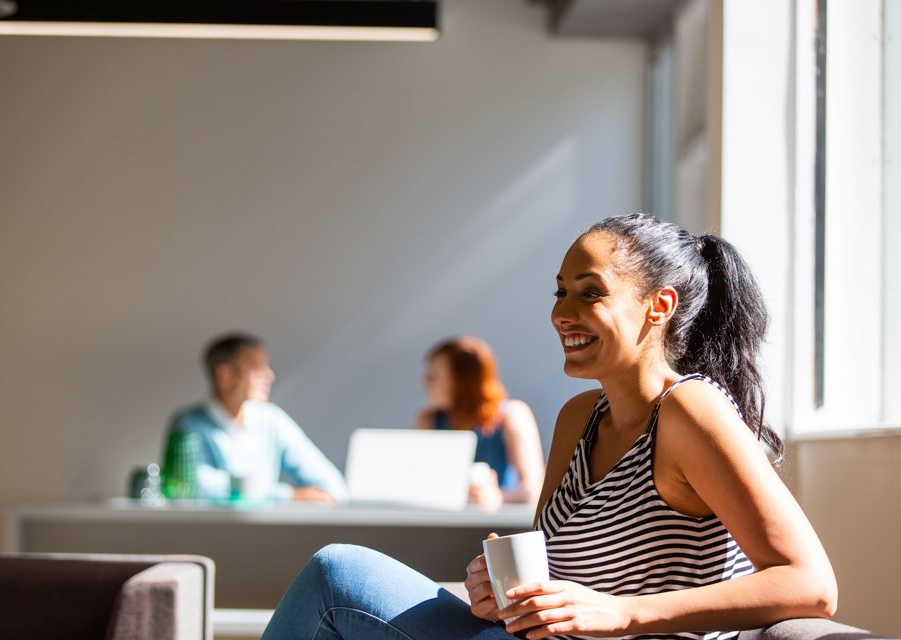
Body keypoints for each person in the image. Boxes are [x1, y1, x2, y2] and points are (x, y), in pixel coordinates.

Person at [260, 213, 837, 640]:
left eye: (591, 293)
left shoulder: (690, 411)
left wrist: (624, 612)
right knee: (334, 577)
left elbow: (809, 584)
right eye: (561, 292)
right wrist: (498, 594)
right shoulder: (578, 417)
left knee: (337, 573)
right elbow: (553, 572)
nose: (563, 313)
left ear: (658, 306)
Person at [163, 332, 347, 503]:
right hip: (214, 531)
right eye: (255, 366)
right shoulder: (189, 424)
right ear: (225, 375)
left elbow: (331, 482)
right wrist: (287, 494)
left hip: (268, 531)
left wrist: (323, 495)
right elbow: (194, 482)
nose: (269, 375)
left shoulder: (272, 420)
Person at [415, 336, 544, 508]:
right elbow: (417, 480)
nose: (426, 382)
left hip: (498, 525)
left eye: (434, 376)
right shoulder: (428, 419)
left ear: (462, 381)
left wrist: (497, 497)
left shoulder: (511, 415)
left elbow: (534, 489)